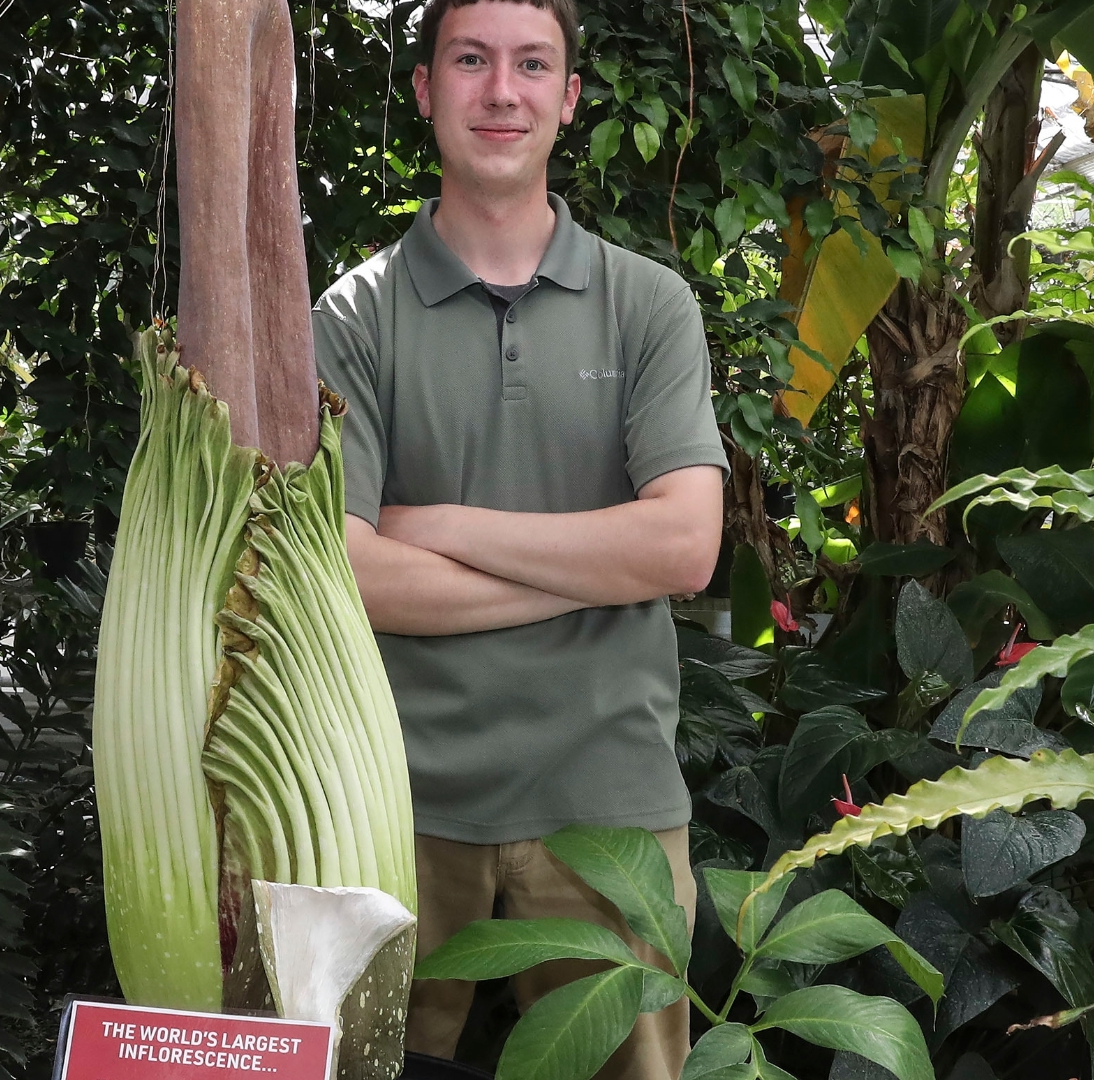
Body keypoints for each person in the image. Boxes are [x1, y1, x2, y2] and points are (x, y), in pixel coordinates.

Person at [311, 0, 725, 1075]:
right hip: (391, 807)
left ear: (569, 98)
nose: (502, 90)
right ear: (424, 90)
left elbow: (683, 549)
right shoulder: (353, 319)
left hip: (610, 812)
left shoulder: (649, 307)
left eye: (532, 64)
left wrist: (443, 527)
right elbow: (344, 574)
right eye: (471, 60)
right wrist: (596, 570)